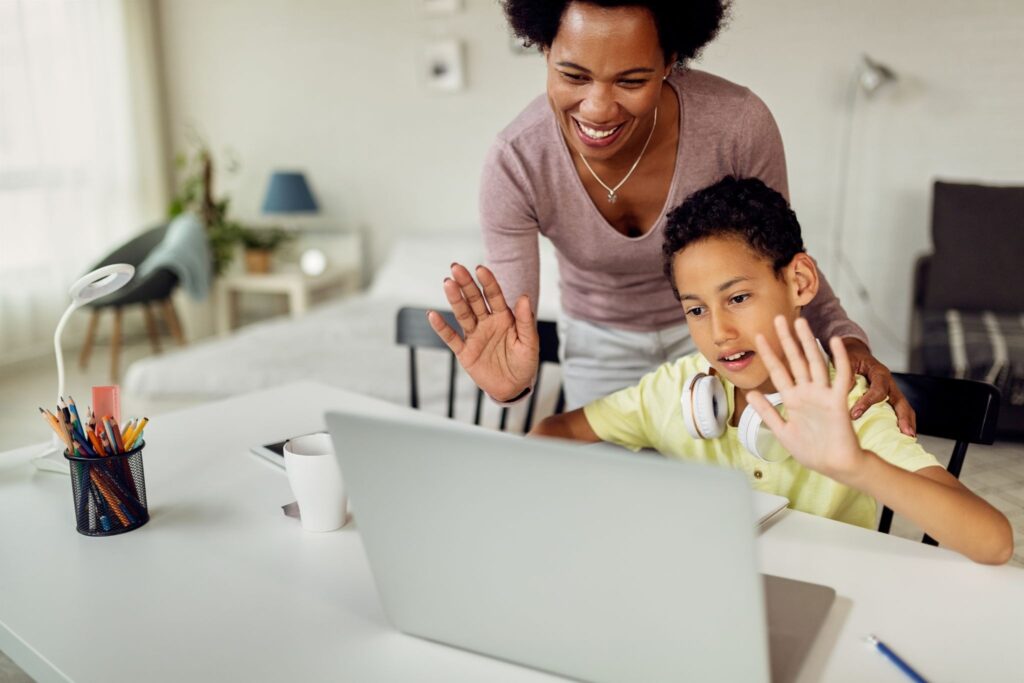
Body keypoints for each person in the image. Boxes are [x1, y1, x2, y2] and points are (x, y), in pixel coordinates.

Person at [428, 0, 916, 434]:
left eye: (632, 80)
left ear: (670, 62)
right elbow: (512, 334)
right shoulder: (517, 160)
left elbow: (780, 261)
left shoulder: (737, 125)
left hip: (723, 329)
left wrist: (846, 339)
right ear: (543, 51)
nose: (597, 109)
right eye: (573, 75)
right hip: (600, 340)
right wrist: (511, 386)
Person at [527, 177, 1012, 565]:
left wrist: (856, 466)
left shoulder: (848, 405)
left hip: (828, 593)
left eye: (738, 298)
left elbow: (994, 542)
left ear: (798, 281)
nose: (719, 332)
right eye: (696, 310)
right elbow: (558, 429)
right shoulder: (675, 390)